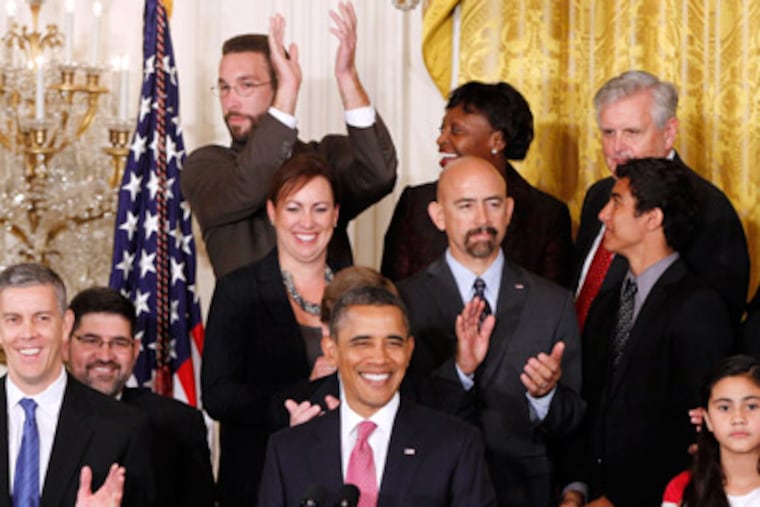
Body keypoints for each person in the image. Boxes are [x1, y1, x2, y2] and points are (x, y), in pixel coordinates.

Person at [398, 156, 585, 507]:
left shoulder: (553, 302)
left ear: (509, 210)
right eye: (466, 206)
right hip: (434, 489)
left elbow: (574, 419)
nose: (482, 219)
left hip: (525, 492)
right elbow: (401, 408)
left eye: (493, 204)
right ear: (438, 216)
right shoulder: (404, 301)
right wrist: (459, 371)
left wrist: (545, 396)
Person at [561, 158, 735, 507]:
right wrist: (575, 489)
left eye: (617, 202)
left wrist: (620, 498)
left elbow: (698, 430)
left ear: (653, 219)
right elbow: (589, 404)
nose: (602, 215)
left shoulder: (698, 308)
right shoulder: (608, 301)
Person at [182, 1, 397, 278]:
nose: (231, 100)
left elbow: (379, 173)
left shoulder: (324, 158)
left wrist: (347, 78)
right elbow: (250, 184)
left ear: (280, 84)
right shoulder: (205, 167)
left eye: (246, 85)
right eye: (224, 87)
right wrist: (287, 97)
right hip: (250, 321)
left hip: (332, 317)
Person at [258, 285, 496, 506]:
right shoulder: (288, 451)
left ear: (409, 350)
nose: (380, 359)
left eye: (393, 343)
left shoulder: (456, 444)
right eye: (362, 343)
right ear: (331, 351)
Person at [202, 152, 345, 505]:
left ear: (336, 215)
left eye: (320, 209)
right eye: (293, 208)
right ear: (272, 212)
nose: (307, 222)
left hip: (345, 478)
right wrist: (306, 391)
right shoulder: (238, 290)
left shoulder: (359, 291)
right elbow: (218, 395)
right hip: (260, 478)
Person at [573, 70, 748, 330]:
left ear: (669, 133)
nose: (616, 147)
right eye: (608, 132)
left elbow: (712, 325)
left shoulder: (709, 209)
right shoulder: (599, 195)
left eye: (632, 132)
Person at [381, 80, 573, 287]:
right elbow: (391, 295)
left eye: (456, 131)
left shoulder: (546, 215)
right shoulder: (416, 203)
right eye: (442, 129)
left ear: (497, 141)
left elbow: (551, 306)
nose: (440, 140)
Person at [0, 263, 155, 506]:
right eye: (13, 319)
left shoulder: (123, 428)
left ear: (66, 324)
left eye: (42, 318)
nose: (28, 333)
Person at [64, 287, 215, 507]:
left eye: (119, 343)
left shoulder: (179, 425)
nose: (105, 355)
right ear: (66, 345)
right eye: (91, 340)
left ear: (135, 351)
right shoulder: (35, 416)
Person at [662, 354, 760, 506]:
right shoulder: (684, 488)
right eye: (724, 408)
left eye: (752, 406)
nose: (738, 418)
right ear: (707, 419)